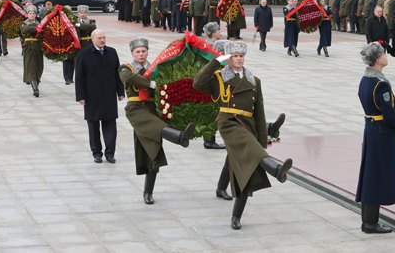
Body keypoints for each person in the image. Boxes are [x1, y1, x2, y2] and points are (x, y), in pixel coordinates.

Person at [193, 41, 293, 230]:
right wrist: (216, 61)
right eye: (234, 56)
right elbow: (198, 83)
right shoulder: (219, 77)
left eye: (241, 56)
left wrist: (262, 136)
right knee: (250, 157)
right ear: (228, 58)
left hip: (248, 123)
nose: (238, 59)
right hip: (228, 121)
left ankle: (224, 193)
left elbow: (259, 110)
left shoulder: (254, 80)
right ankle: (276, 169)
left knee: (237, 160)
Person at [118, 38, 196, 204]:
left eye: (144, 51)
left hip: (153, 110)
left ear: (147, 52)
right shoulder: (126, 67)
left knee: (154, 152)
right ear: (132, 53)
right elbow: (129, 78)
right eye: (138, 52)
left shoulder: (156, 68)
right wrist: (151, 83)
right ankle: (179, 137)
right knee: (155, 128)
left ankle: (148, 192)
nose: (141, 54)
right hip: (136, 109)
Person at [356, 42, 395, 234]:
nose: (387, 56)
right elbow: (387, 116)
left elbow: (377, 106)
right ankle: (370, 223)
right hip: (382, 134)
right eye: (384, 55)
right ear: (378, 60)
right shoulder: (380, 84)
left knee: (370, 175)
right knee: (376, 178)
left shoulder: (366, 79)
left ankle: (368, 221)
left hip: (372, 131)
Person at [75, 29, 125, 163]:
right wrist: (80, 96)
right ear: (92, 39)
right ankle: (96, 152)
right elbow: (79, 76)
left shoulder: (112, 52)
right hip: (92, 96)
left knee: (110, 125)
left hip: (109, 95)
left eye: (104, 37)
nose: (102, 40)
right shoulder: (84, 54)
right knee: (93, 126)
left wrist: (120, 91)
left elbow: (117, 73)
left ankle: (110, 153)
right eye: (99, 38)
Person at [20, 5, 44, 97]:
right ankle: (35, 89)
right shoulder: (24, 23)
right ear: (27, 15)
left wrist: (37, 29)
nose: (32, 15)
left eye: (34, 13)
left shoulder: (39, 23)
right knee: (31, 67)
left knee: (39, 67)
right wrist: (37, 29)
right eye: (30, 13)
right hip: (29, 47)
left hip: (38, 47)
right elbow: (25, 29)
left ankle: (36, 84)